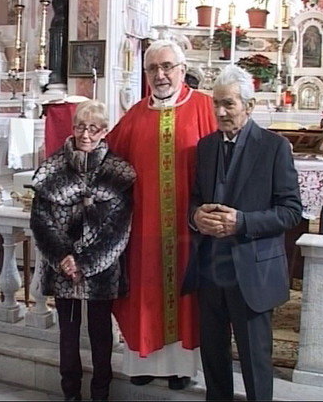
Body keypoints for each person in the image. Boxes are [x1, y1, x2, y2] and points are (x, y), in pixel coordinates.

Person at [182, 65, 303, 401]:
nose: (220, 112)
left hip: (252, 268)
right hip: (210, 266)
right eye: (216, 104)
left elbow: (291, 211)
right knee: (214, 356)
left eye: (229, 105)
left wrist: (242, 222)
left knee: (254, 359)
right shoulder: (205, 146)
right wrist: (196, 217)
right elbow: (195, 198)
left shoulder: (274, 147)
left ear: (248, 107)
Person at [106, 39, 217, 390]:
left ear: (182, 70)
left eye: (167, 67)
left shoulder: (204, 108)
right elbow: (106, 156)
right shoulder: (136, 114)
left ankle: (181, 367)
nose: (160, 74)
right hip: (143, 228)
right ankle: (143, 365)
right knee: (145, 290)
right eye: (153, 68)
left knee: (185, 294)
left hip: (188, 226)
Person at [30, 99, 136, 401]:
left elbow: (118, 228)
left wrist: (86, 264)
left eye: (93, 128)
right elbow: (41, 220)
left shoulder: (119, 171)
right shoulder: (53, 167)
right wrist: (63, 258)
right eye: (80, 127)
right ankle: (70, 394)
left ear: (104, 131)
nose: (85, 135)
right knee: (68, 334)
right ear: (73, 128)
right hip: (62, 267)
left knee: (102, 334)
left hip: (102, 269)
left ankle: (101, 393)